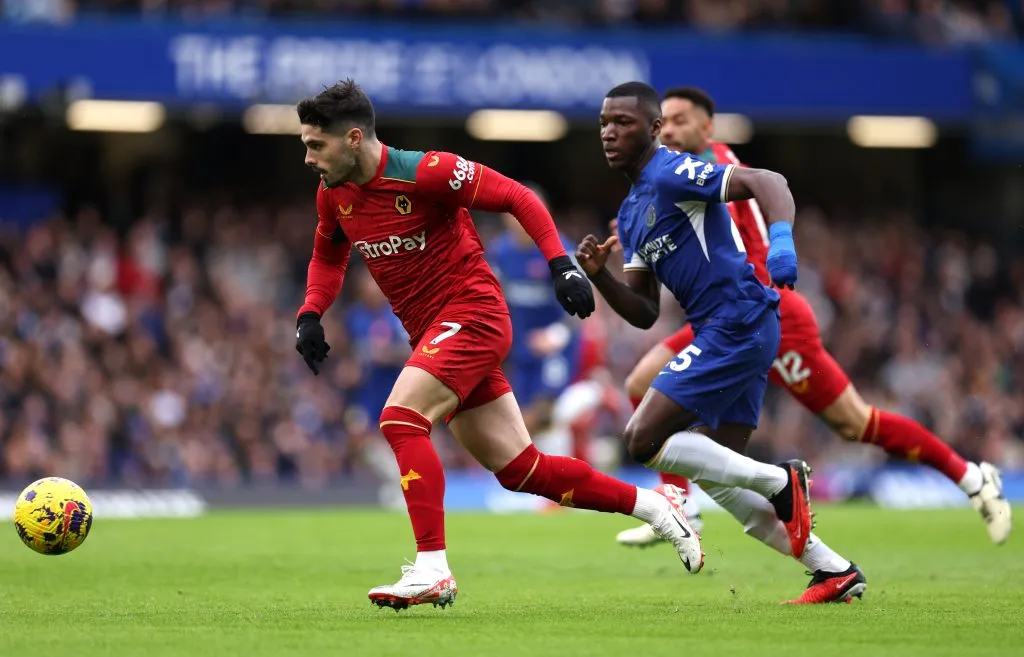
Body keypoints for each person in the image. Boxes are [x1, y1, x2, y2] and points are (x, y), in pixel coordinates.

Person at [292, 79, 703, 612]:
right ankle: (655, 506)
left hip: (473, 314)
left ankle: (431, 568)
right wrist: (310, 313)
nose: (307, 158)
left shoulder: (426, 171)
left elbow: (516, 196)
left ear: (352, 138)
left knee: (400, 418)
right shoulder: (334, 195)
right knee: (521, 470)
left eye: (314, 145)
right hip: (433, 332)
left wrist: (560, 264)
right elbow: (328, 257)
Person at [613, 86, 1011, 553]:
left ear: (707, 128)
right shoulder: (671, 180)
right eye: (668, 120)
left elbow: (759, 206)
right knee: (644, 382)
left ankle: (970, 476)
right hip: (724, 317)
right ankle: (682, 502)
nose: (673, 129)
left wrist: (782, 244)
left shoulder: (716, 167)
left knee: (855, 423)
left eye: (682, 120)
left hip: (765, 309)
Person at [577, 81, 865, 605]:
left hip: (737, 320)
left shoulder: (669, 171)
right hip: (728, 328)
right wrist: (601, 277)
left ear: (655, 128)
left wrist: (781, 241)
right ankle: (834, 570)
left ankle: (782, 483)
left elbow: (766, 180)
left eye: (624, 122)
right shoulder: (633, 210)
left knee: (642, 439)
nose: (610, 133)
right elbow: (643, 311)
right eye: (604, 123)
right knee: (718, 472)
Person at [488, 195, 585, 458]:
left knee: (543, 410)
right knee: (526, 410)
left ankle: (525, 466)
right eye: (512, 214)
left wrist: (558, 334)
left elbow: (583, 300)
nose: (518, 222)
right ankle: (546, 479)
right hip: (520, 348)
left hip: (555, 348)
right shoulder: (500, 252)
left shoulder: (560, 251)